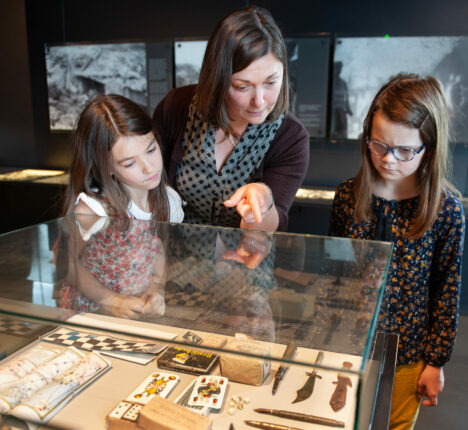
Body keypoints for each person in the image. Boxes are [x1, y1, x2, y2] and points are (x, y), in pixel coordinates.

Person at [329, 73, 465, 430]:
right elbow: (335, 275)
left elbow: (446, 292)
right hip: (349, 345)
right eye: (379, 145)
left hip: (408, 356)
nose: (389, 159)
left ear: (430, 147)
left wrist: (435, 363)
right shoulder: (347, 196)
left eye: (406, 150)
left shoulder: (445, 210)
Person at [153, 6, 310, 232]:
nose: (259, 101)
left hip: (244, 259)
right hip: (177, 254)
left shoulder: (291, 137)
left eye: (270, 83)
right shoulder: (176, 108)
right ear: (218, 79)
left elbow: (273, 224)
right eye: (242, 86)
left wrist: (264, 202)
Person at [63, 94, 184, 223]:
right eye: (130, 163)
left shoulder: (170, 200)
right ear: (105, 167)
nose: (149, 168)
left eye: (151, 150)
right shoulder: (95, 212)